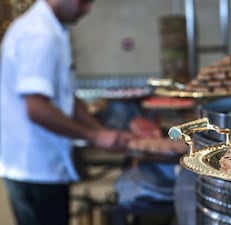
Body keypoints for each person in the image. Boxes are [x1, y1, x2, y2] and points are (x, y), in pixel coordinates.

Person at [0, 0, 159, 225]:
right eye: (82, 2)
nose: (86, 10)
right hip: (33, 167)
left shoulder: (52, 30)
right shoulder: (39, 34)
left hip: (45, 164)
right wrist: (95, 136)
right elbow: (36, 108)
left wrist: (102, 132)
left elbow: (65, 97)